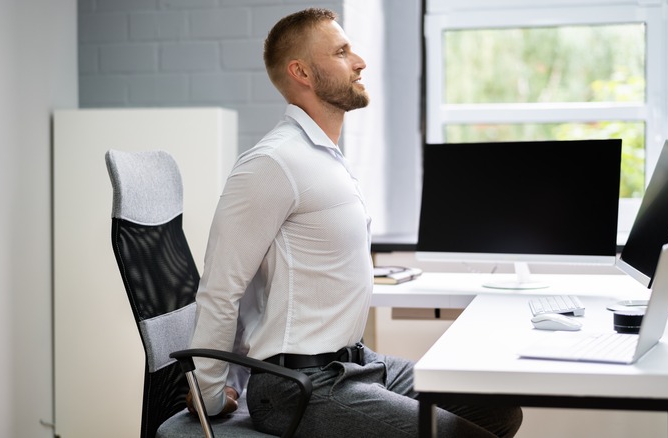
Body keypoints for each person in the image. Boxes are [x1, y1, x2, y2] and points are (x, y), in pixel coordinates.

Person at [189, 7, 523, 437]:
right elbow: (222, 288)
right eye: (342, 51)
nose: (360, 61)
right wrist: (211, 393)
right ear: (302, 73)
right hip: (298, 386)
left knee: (497, 410)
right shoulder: (271, 163)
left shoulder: (324, 158)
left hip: (355, 363)